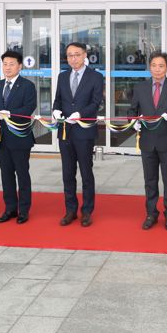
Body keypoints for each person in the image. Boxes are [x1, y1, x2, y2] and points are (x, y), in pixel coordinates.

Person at [129, 51, 167, 231]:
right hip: (147, 141)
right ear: (149, 67)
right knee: (150, 180)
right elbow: (132, 111)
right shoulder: (140, 88)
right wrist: (134, 122)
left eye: (161, 66)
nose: (157, 69)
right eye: (154, 65)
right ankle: (151, 213)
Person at [52, 42, 104, 227]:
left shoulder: (96, 77)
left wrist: (80, 114)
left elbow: (96, 102)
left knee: (86, 172)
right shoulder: (62, 76)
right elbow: (58, 99)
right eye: (69, 55)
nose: (73, 58)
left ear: (85, 56)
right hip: (65, 131)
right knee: (67, 173)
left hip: (84, 130)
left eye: (76, 54)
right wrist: (55, 111)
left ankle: (87, 211)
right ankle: (70, 210)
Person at [0, 50, 37, 224]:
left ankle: (23, 210)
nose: (7, 68)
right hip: (1, 138)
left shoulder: (27, 86)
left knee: (22, 174)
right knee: (6, 174)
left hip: (20, 138)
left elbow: (29, 108)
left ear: (20, 66)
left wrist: (10, 114)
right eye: (5, 64)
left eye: (11, 64)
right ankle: (10, 208)